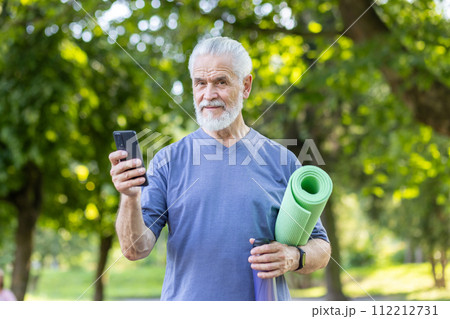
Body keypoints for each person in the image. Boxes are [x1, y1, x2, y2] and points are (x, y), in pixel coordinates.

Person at [109, 37, 331, 300]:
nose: (208, 94)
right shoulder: (167, 161)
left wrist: (294, 257)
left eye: (221, 82)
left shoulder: (282, 161)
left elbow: (322, 247)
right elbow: (135, 249)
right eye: (200, 83)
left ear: (246, 85)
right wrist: (130, 197)